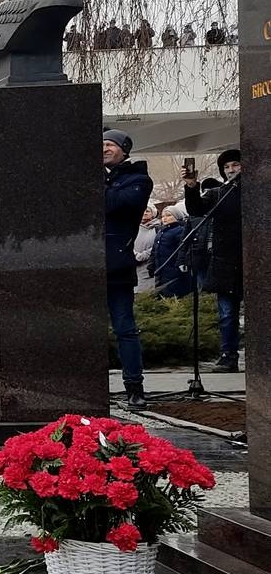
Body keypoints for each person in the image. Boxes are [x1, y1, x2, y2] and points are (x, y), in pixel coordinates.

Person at [102, 129, 152, 406]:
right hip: (86, 264)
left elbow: (111, 204)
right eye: (101, 144)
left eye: (110, 144)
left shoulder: (138, 180)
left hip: (117, 265)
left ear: (124, 150)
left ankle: (134, 387)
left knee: (125, 328)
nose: (104, 148)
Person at [185, 148, 243, 372]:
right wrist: (191, 186)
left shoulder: (258, 191)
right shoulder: (219, 193)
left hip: (254, 262)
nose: (231, 170)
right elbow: (196, 209)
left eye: (235, 165)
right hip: (225, 263)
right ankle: (228, 355)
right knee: (227, 314)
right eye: (227, 167)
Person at [150, 204, 192, 299]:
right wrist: (151, 264)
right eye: (163, 216)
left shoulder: (180, 231)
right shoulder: (161, 232)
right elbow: (154, 250)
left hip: (174, 271)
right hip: (161, 271)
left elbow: (184, 250)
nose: (164, 218)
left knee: (173, 295)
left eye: (168, 215)